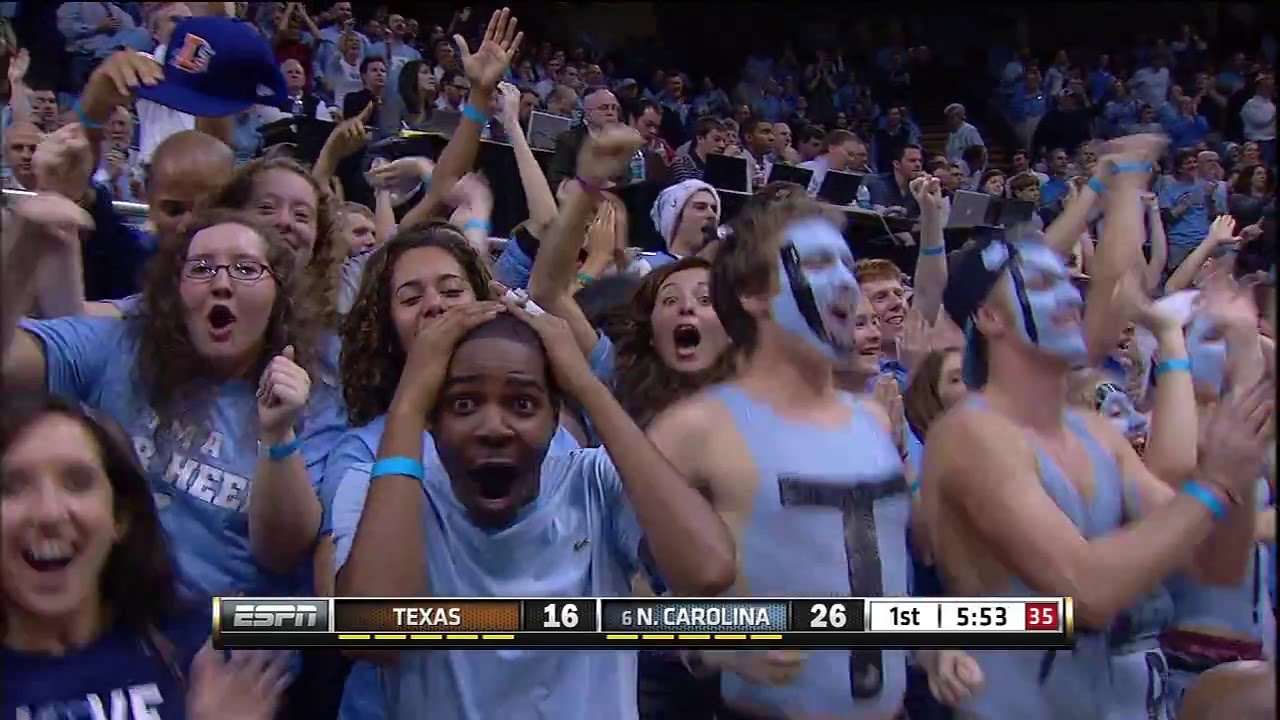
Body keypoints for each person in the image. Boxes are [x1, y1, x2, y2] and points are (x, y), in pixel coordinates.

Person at [920, 149, 1267, 719]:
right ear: (989, 318)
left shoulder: (1095, 435)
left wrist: (1238, 468)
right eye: (1041, 284)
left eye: (1066, 282)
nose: (1068, 298)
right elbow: (1086, 596)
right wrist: (1212, 488)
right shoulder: (971, 434)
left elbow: (1216, 566)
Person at [331, 279, 734, 719]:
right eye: (463, 404)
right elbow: (371, 633)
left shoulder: (594, 483)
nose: (494, 427)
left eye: (523, 404)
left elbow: (708, 570)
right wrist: (407, 404)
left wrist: (588, 387)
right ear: (432, 416)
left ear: (553, 417)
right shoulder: (380, 493)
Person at [645, 192, 947, 718]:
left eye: (847, 265)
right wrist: (715, 642)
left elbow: (884, 576)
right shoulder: (692, 430)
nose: (845, 282)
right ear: (753, 295)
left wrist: (930, 647)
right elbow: (625, 587)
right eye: (817, 264)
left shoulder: (874, 420)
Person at [2, 201, 345, 601]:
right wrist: (22, 251)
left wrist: (278, 432)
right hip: (107, 615)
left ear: (278, 297)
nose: (221, 283)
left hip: (228, 635)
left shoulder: (314, 397)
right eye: (201, 268)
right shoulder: (123, 346)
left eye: (246, 269)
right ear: (175, 290)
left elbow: (282, 556)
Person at [0, 391, 290, 719]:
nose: (48, 513)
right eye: (10, 486)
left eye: (77, 482)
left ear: (120, 516)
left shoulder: (198, 628)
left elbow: (353, 621)